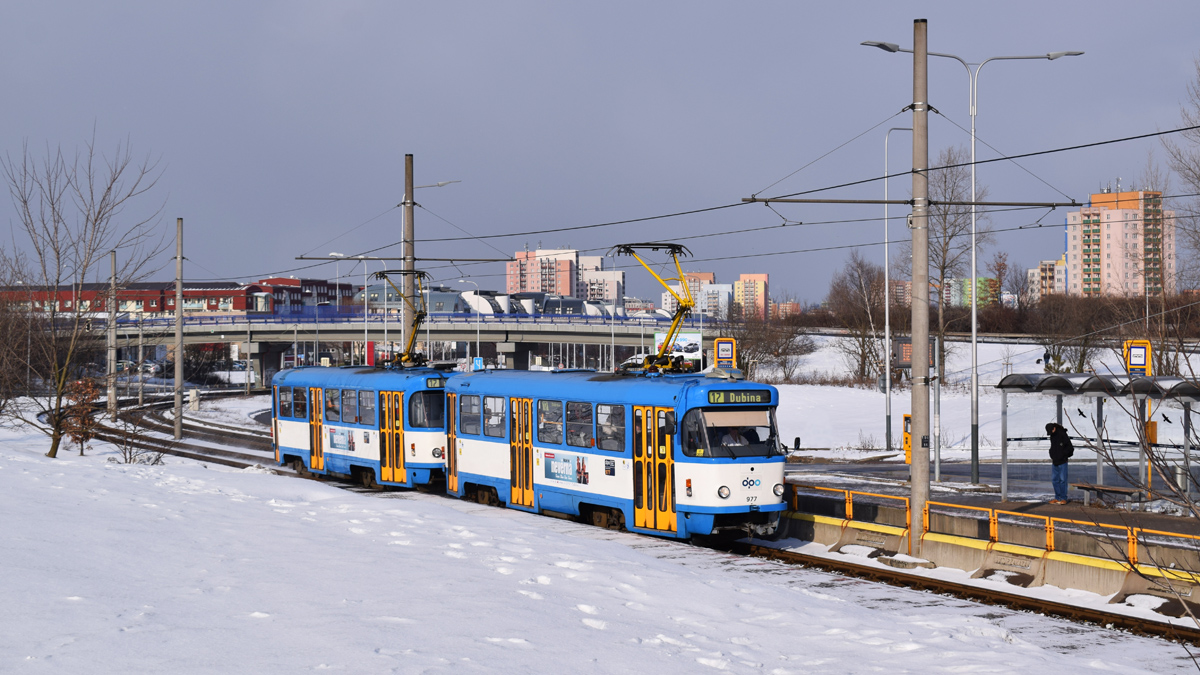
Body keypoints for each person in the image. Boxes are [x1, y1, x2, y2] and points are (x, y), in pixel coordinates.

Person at [1046, 422, 1074, 504]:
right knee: (1054, 480)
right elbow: (1053, 447)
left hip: (1062, 461)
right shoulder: (1052, 436)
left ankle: (1063, 498)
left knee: (1062, 480)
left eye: (1051, 431)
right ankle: (1057, 497)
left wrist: (1063, 455)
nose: (1051, 433)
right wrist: (1052, 454)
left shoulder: (1062, 434)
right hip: (1055, 461)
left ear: (1054, 428)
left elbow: (1070, 448)